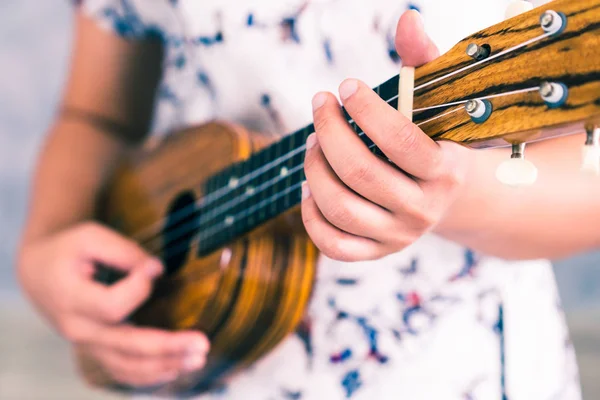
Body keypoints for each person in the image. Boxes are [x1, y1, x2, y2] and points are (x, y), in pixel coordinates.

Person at [16, 0, 591, 398]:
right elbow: (96, 115)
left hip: (453, 373)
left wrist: (452, 193)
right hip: (192, 340)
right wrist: (44, 246)